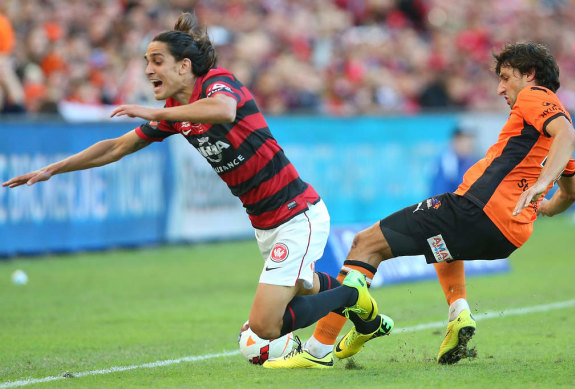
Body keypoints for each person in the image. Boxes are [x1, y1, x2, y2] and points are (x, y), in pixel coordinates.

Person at [2, 12, 387, 366]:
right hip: (265, 222)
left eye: (157, 61)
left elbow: (223, 110)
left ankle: (353, 297)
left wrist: (158, 112)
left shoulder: (217, 82)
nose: (149, 70)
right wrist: (53, 169)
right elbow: (117, 146)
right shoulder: (177, 111)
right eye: (146, 62)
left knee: (266, 326)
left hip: (297, 213)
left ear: (184, 66)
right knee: (304, 286)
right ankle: (362, 310)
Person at [265, 41, 575, 368]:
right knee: (444, 245)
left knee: (365, 244)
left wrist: (541, 185)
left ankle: (321, 347)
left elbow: (569, 136)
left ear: (529, 75)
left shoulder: (535, 96)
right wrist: (542, 206)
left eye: (506, 77)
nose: (500, 87)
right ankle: (458, 312)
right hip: (509, 235)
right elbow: (569, 195)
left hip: (477, 211)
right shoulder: (549, 139)